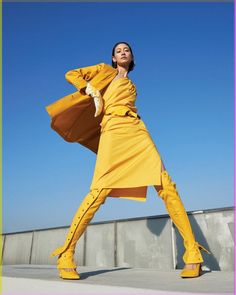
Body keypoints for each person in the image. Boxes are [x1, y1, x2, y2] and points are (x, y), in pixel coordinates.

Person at [46, 41, 211, 280]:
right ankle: (66, 253)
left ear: (131, 57)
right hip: (112, 130)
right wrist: (89, 89)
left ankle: (193, 253)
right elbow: (72, 73)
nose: (123, 53)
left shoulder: (132, 84)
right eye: (118, 51)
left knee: (165, 184)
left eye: (127, 50)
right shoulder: (104, 71)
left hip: (136, 129)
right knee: (99, 191)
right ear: (113, 58)